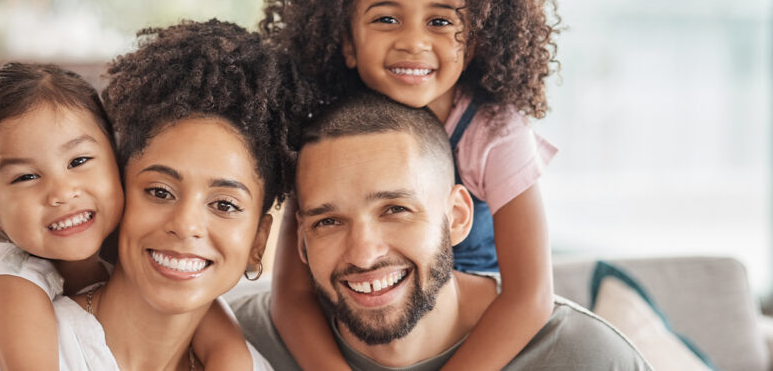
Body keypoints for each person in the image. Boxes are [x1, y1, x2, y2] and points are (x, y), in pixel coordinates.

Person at [0, 19, 304, 370]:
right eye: (159, 191)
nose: (186, 225)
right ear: (120, 191)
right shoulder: (7, 348)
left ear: (258, 241)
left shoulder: (244, 360)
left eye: (224, 204)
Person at [0, 62, 256, 370]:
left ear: (116, 163)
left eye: (79, 160)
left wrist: (231, 360)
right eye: (27, 176)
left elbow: (206, 317)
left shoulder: (128, 242)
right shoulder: (8, 274)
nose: (62, 193)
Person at [259, 0, 561, 369]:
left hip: (476, 343)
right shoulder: (324, 139)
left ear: (471, 43)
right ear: (347, 43)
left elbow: (531, 296)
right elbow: (291, 296)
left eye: (439, 21)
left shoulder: (495, 132)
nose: (414, 42)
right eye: (386, 19)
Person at [232, 92, 650, 370]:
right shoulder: (236, 347)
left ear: (458, 216)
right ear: (300, 241)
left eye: (395, 209)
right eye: (328, 221)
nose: (363, 253)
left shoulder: (585, 359)